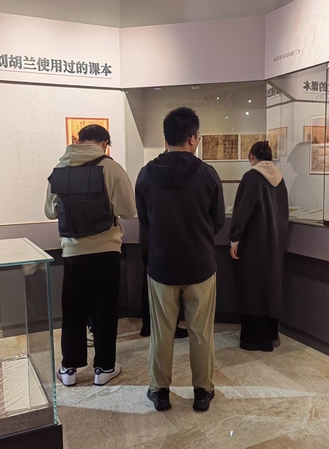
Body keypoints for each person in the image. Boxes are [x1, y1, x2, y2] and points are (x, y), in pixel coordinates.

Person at [136, 107, 225, 412]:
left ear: (166, 138)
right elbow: (217, 221)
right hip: (200, 265)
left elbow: (145, 221)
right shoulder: (208, 174)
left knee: (162, 332)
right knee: (201, 333)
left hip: (161, 266)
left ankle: (160, 391)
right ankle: (202, 391)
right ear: (193, 137)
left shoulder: (146, 174)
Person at [45, 125, 136, 387]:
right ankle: (104, 368)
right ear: (105, 143)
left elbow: (50, 212)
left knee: (72, 309)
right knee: (105, 309)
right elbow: (128, 211)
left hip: (73, 250)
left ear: (78, 140)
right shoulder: (112, 168)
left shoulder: (60, 169)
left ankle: (69, 369)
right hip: (106, 249)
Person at [229, 141, 289, 352]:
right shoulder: (280, 180)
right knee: (270, 288)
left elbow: (242, 210)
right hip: (274, 244)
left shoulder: (251, 177)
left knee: (252, 289)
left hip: (254, 244)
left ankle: (254, 339)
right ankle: (270, 335)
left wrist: (235, 238)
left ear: (252, 157)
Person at [139, 223, 188, 339]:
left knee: (148, 278)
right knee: (167, 280)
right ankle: (170, 325)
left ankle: (147, 324)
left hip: (148, 236)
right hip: (162, 238)